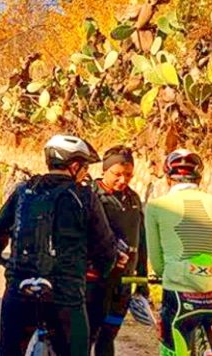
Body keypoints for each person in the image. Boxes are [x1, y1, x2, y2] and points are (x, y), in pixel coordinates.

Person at [0, 134, 121, 356]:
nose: (86, 172)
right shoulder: (84, 197)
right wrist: (104, 268)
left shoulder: (24, 190)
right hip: (65, 292)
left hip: (20, 286)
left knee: (8, 350)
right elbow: (104, 245)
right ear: (74, 166)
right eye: (84, 167)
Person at [146, 149, 212, 356]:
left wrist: (162, 275)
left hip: (178, 300)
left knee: (174, 349)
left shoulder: (156, 206)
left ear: (169, 179)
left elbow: (158, 264)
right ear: (200, 178)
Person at [85, 146, 148, 356]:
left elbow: (142, 240)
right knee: (88, 335)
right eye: (117, 174)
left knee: (108, 336)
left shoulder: (134, 199)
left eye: (128, 175)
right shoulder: (90, 195)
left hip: (123, 283)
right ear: (104, 170)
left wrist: (143, 279)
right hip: (93, 281)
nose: (123, 180)